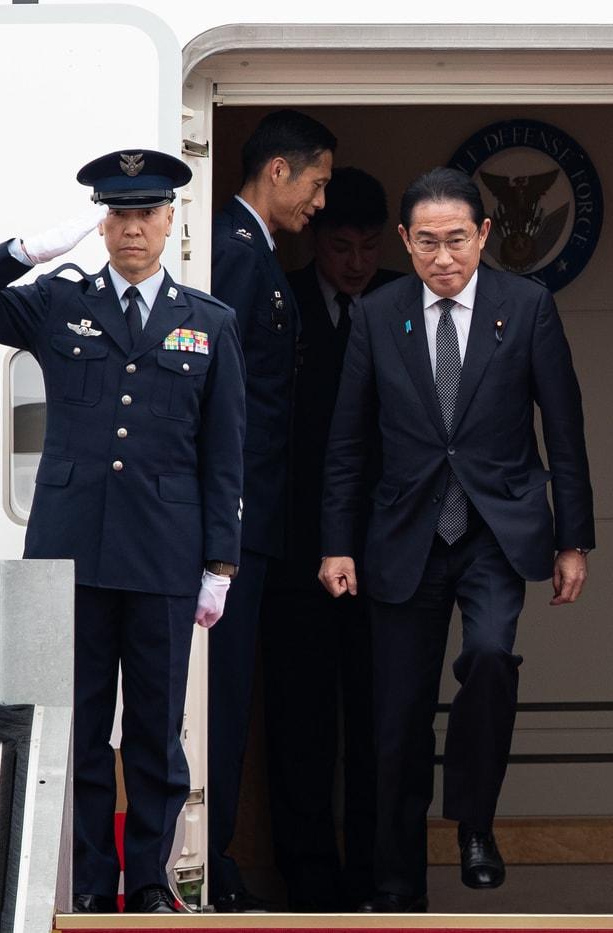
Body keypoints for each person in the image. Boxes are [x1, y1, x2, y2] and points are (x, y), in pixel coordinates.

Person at [0, 149, 246, 915]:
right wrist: (26, 251)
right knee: (80, 730)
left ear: (171, 220)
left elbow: (226, 451)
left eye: (146, 213)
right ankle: (96, 885)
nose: (133, 228)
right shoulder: (55, 303)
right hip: (73, 551)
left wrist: (220, 564)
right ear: (102, 221)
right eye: (119, 214)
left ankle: (148, 879)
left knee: (156, 736)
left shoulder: (209, 323)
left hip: (165, 554)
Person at [319, 167, 596, 912]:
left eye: (458, 240)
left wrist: (575, 541)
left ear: (482, 235)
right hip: (402, 535)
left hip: (494, 533)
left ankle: (475, 824)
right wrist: (336, 543)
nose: (444, 258)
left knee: (489, 658)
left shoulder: (526, 306)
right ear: (406, 242)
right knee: (396, 721)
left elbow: (563, 433)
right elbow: (345, 442)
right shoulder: (378, 316)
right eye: (428, 242)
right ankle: (395, 886)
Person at [262, 167, 401, 911]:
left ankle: (377, 882)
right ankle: (309, 883)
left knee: (383, 724)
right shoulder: (279, 297)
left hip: (392, 552)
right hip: (294, 549)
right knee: (300, 724)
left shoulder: (407, 300)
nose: (355, 262)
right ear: (315, 238)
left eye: (369, 246)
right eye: (340, 245)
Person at [207, 108, 336, 912]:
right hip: (235, 524)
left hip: (257, 525)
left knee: (234, 699)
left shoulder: (257, 251)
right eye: (316, 183)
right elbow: (219, 401)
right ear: (278, 171)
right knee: (218, 701)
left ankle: (216, 859)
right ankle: (211, 865)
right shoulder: (234, 252)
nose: (320, 203)